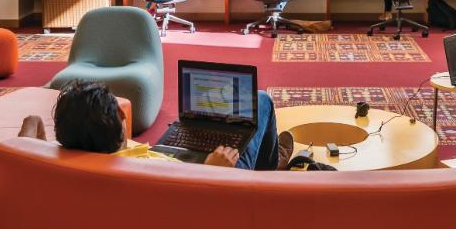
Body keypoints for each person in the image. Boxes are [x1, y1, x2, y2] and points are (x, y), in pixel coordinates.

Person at [19, 80, 293, 171]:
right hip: (220, 181)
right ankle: (268, 168)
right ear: (123, 119)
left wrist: (32, 140)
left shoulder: (59, 166)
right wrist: (211, 171)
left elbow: (28, 128)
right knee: (260, 101)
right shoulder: (151, 169)